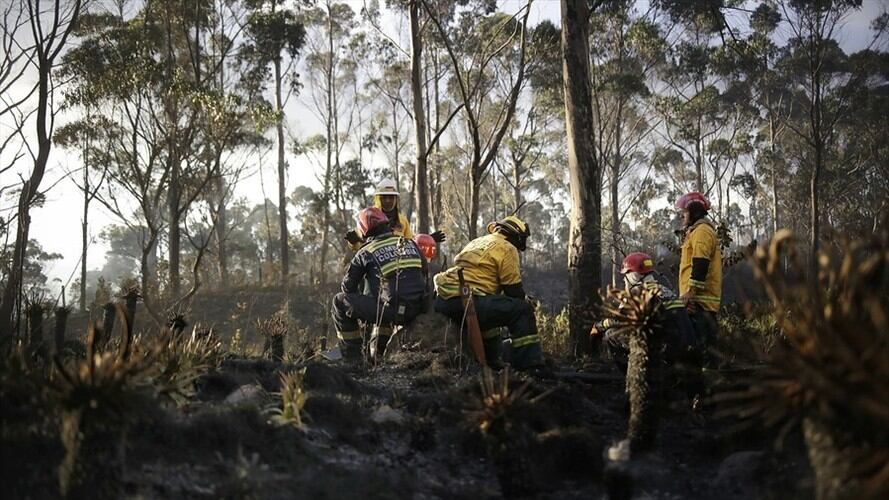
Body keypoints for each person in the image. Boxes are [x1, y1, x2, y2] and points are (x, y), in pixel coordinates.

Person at [433, 216, 544, 370]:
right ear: (518, 237)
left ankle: (492, 361)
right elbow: (513, 291)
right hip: (469, 300)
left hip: (445, 299)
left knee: (490, 317)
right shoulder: (507, 248)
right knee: (522, 311)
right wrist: (526, 301)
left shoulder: (478, 241)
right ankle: (531, 365)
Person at [332, 207, 427, 360]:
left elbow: (347, 288)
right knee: (384, 300)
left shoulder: (365, 252)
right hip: (419, 308)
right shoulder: (410, 243)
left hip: (393, 312)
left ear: (363, 230)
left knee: (339, 301)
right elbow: (425, 272)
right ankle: (378, 351)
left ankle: (352, 359)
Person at [590, 252, 696, 372]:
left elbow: (621, 322)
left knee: (611, 334)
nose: (625, 280)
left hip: (668, 353)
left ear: (632, 276)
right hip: (689, 351)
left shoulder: (639, 293)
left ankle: (633, 374)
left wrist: (599, 326)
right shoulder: (664, 290)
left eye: (626, 275)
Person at [674, 192, 722, 352]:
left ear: (694, 212)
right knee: (698, 351)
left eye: (685, 212)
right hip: (697, 302)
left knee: (702, 352)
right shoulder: (696, 232)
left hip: (700, 304)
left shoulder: (702, 232)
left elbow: (701, 264)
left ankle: (709, 370)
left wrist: (691, 293)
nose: (682, 216)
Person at [345, 178, 445, 248]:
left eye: (391, 197)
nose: (388, 201)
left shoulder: (402, 220)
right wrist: (353, 241)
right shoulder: (368, 218)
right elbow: (361, 247)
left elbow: (410, 243)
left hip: (397, 266)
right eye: (384, 197)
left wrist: (427, 240)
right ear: (378, 199)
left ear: (396, 199)